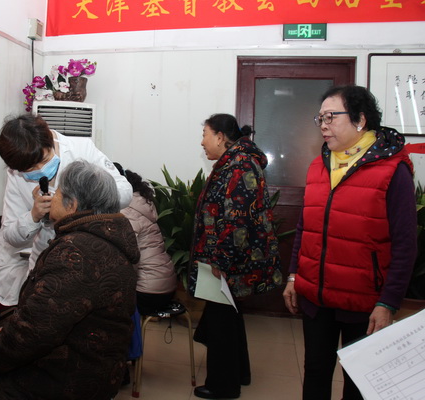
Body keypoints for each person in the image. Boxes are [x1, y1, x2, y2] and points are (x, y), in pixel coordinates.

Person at [0, 160, 140, 400]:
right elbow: (48, 314)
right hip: (96, 371)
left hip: (64, 380)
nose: (52, 198)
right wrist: (9, 331)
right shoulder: (107, 241)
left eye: (58, 192)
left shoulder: (76, 253)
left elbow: (35, 331)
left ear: (72, 204)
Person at [282, 85, 417, 400]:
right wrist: (294, 276)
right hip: (316, 296)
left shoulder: (392, 171)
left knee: (357, 384)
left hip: (364, 303)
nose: (323, 125)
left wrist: (388, 303)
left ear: (360, 119)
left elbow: (405, 244)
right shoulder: (319, 165)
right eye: (320, 118)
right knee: (315, 372)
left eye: (331, 116)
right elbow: (305, 226)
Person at [0, 115, 132, 306]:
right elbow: (11, 236)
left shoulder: (81, 149)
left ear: (50, 141)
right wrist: (33, 216)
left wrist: (78, 202)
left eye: (44, 159)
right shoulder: (16, 173)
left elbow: (125, 192)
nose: (40, 169)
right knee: (47, 309)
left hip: (89, 251)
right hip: (48, 259)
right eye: (31, 169)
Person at [189, 113, 282, 399]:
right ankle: (240, 373)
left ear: (219, 137)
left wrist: (221, 259)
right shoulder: (233, 162)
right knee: (229, 317)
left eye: (205, 134)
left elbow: (238, 218)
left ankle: (223, 386)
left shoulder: (240, 165)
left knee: (221, 323)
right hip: (229, 257)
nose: (202, 141)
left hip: (229, 260)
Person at [114, 163, 178, 315]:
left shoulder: (128, 212)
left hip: (148, 292)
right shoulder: (142, 203)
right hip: (166, 286)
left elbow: (128, 255)